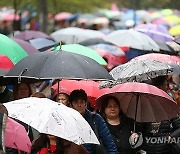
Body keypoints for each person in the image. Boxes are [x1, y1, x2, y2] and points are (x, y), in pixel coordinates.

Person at [69, 89, 118, 154]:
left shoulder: (95, 119)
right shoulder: (67, 120)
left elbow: (109, 144)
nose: (79, 105)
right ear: (71, 105)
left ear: (86, 104)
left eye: (82, 102)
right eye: (76, 102)